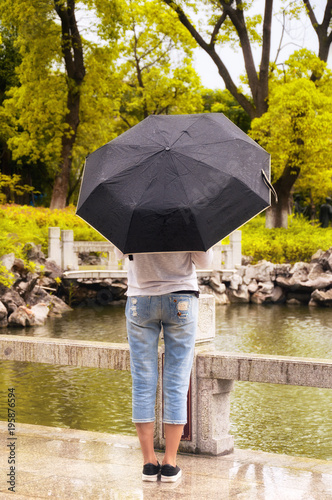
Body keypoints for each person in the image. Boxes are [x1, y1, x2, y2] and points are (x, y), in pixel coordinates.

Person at [114, 248, 213, 483]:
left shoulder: (132, 214)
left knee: (142, 381)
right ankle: (169, 463)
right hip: (181, 298)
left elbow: (119, 252)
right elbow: (205, 262)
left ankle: (149, 463)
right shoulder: (188, 215)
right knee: (176, 381)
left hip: (140, 299)